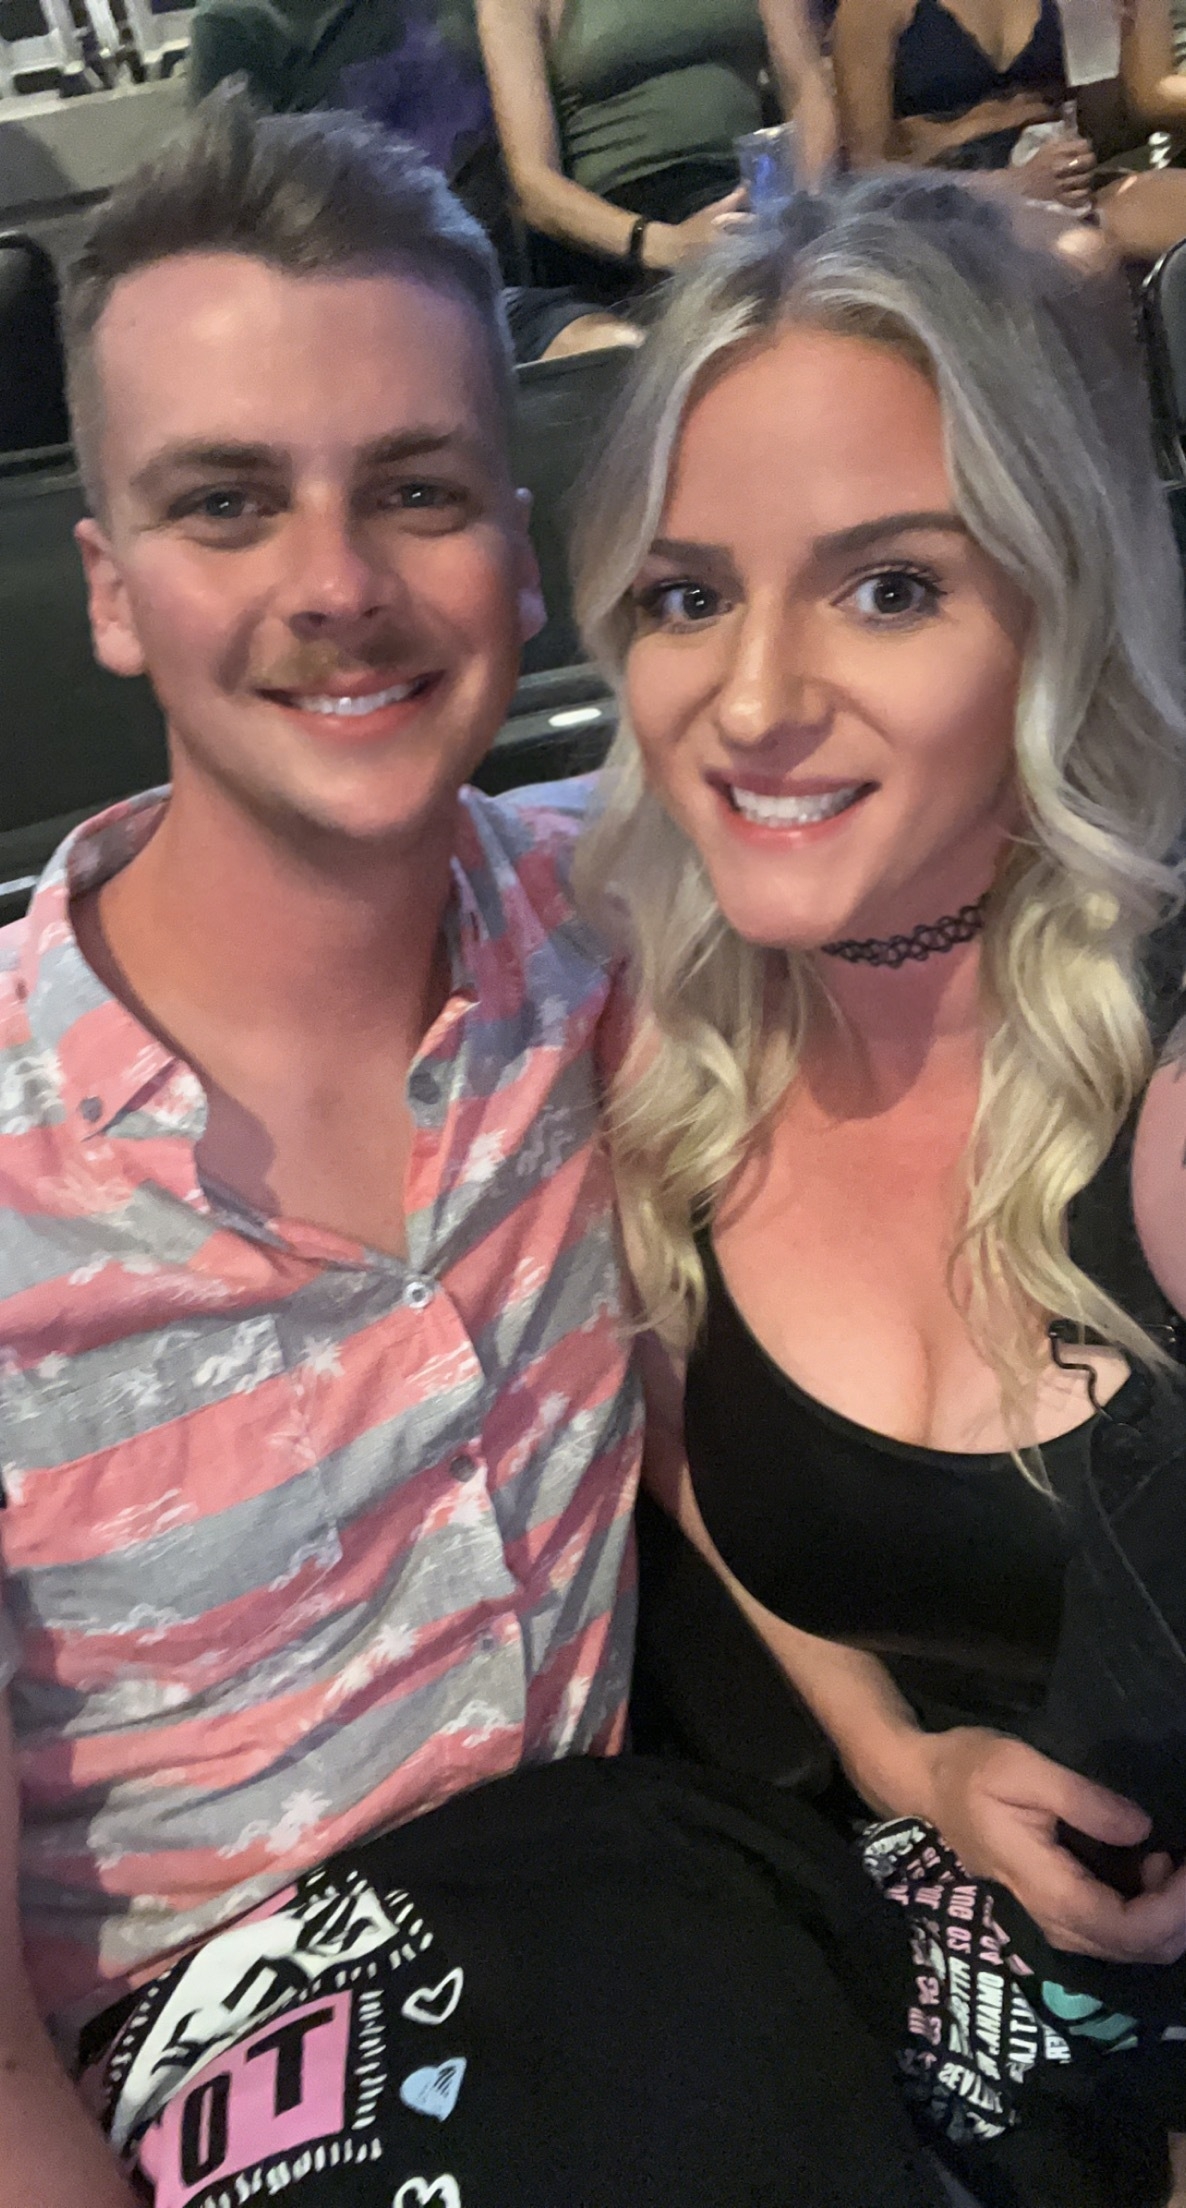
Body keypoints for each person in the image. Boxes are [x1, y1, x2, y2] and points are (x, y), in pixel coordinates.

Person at [0, 89, 950, 2208]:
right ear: (112, 592)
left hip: (629, 1923)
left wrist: (896, 1740)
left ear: (520, 557)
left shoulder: (600, 925)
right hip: (199, 2059)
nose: (337, 585)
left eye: (413, 490)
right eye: (228, 504)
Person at [572, 173, 1186, 2205]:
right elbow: (686, 1434)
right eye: (685, 596)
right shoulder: (658, 1041)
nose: (750, 699)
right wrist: (891, 1751)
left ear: (1054, 604)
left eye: (888, 586)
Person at [186, 0, 639, 361]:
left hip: (503, 298)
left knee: (617, 354)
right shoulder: (237, 23)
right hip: (355, 310)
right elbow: (238, 212)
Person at [474, 0, 838, 308]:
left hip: (747, 188)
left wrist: (809, 210)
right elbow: (531, 181)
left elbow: (807, 89)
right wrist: (667, 245)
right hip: (619, 226)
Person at [832, 0, 1186, 263]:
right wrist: (1008, 184)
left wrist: (1119, 38)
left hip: (1055, 181)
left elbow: (1098, 126)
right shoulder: (871, 8)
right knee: (1079, 254)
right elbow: (867, 172)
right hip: (946, 200)